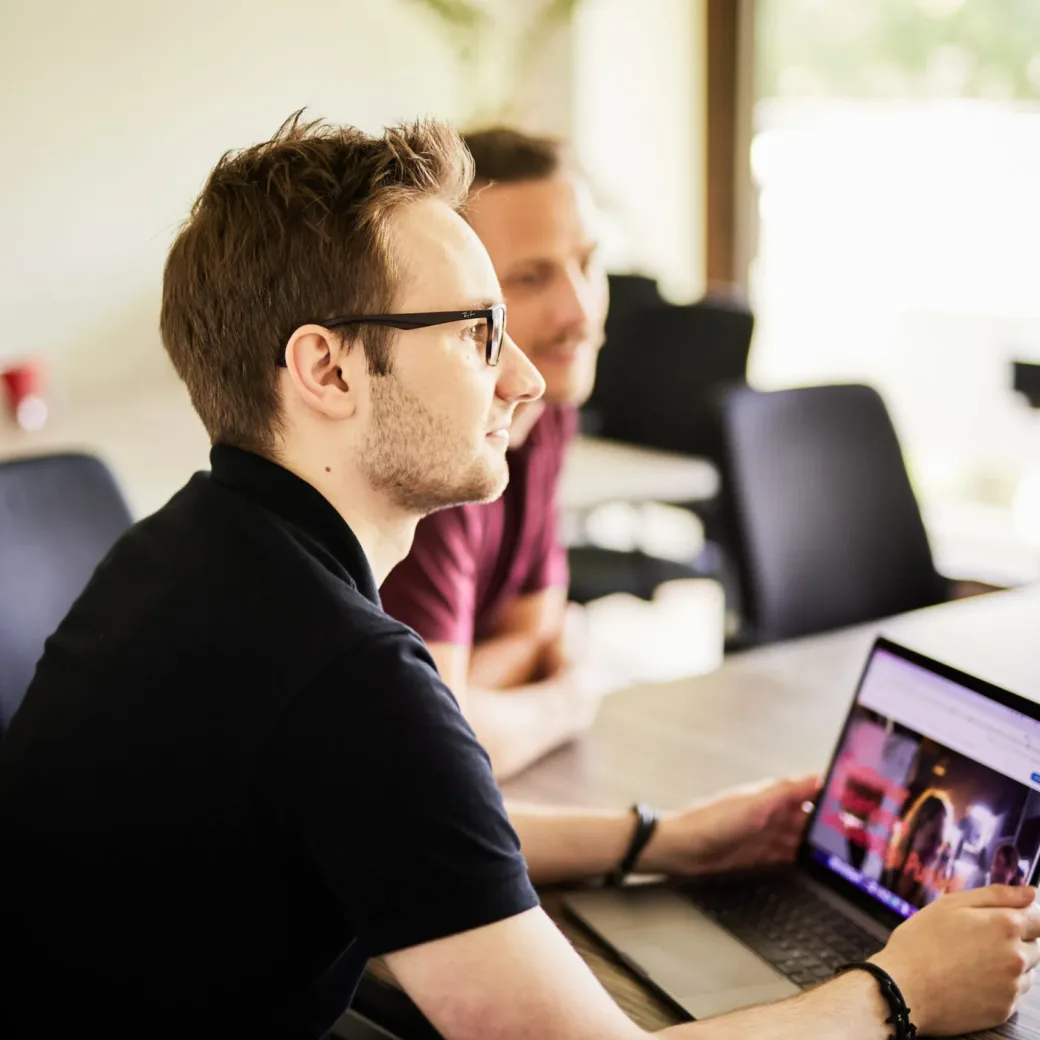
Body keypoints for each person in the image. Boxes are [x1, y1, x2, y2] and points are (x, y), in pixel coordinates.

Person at [0, 115, 1038, 1040]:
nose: (525, 376)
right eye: (473, 330)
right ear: (326, 369)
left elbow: (392, 820)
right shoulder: (341, 672)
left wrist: (658, 838)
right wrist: (897, 990)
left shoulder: (186, 548)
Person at [380, 128, 613, 779]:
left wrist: (471, 691)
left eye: (588, 263)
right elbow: (432, 747)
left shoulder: (545, 414)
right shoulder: (435, 458)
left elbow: (540, 630)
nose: (580, 310)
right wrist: (569, 699)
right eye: (532, 277)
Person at [881, 790, 953, 907]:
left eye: (940, 844)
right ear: (915, 830)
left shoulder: (930, 900)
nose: (936, 852)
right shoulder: (882, 871)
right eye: (932, 838)